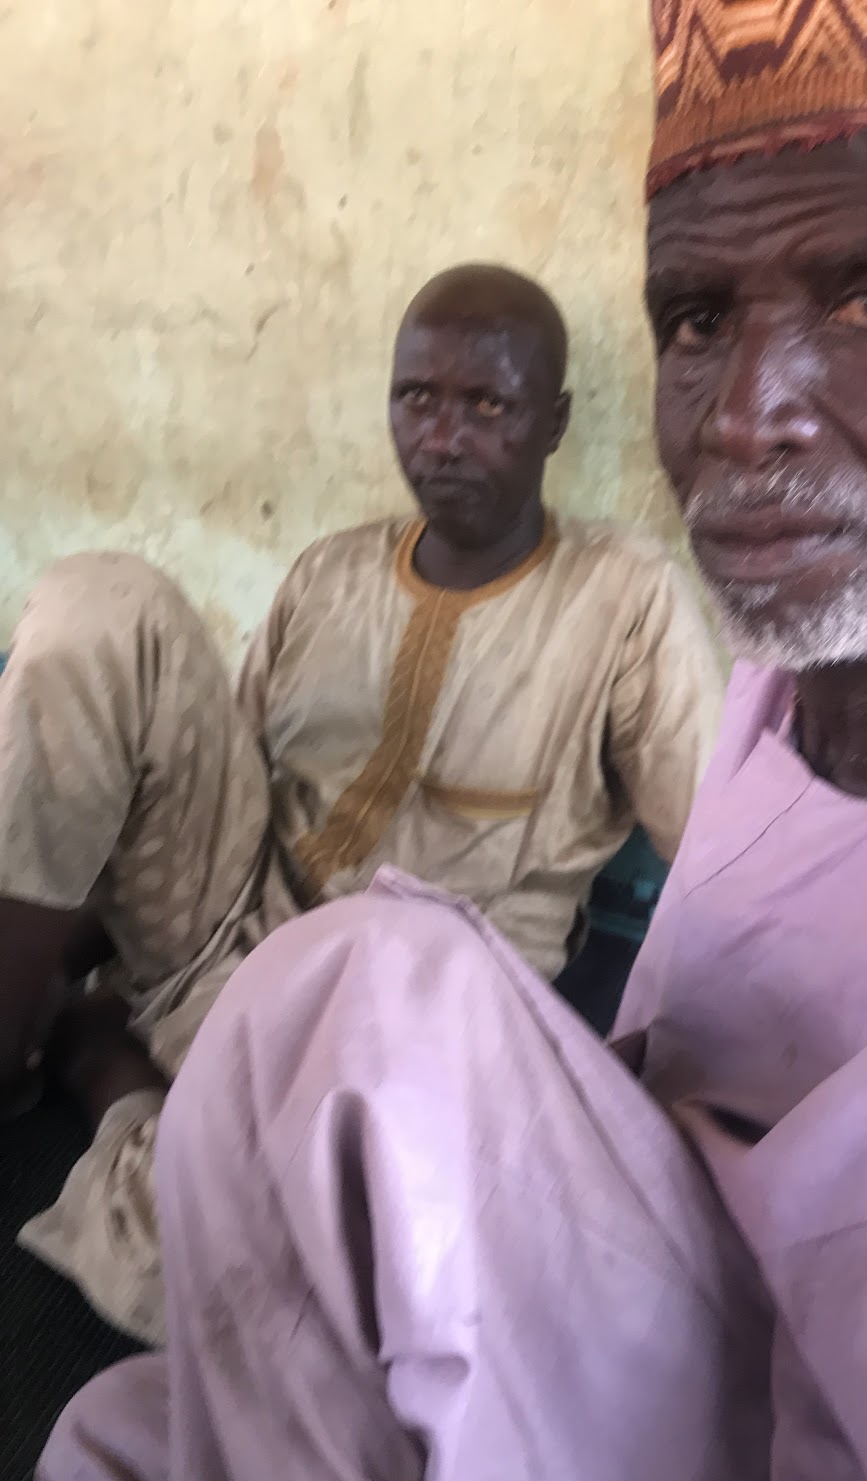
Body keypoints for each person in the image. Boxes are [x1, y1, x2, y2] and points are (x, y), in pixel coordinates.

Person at [37, 1, 867, 1481]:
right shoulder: (790, 695)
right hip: (660, 1339)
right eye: (699, 318)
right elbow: (658, 1088)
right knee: (109, 1459)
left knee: (356, 1000)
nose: (742, 413)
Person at [0, 262, 722, 1344]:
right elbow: (191, 795)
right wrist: (77, 941)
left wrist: (627, 1099)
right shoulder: (327, 573)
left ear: (554, 422)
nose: (442, 436)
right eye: (417, 398)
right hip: (232, 927)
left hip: (412, 1005)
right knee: (103, 602)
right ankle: (23, 1037)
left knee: (310, 1274)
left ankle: (116, 1083)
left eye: (488, 406)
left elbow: (711, 866)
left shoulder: (626, 599)